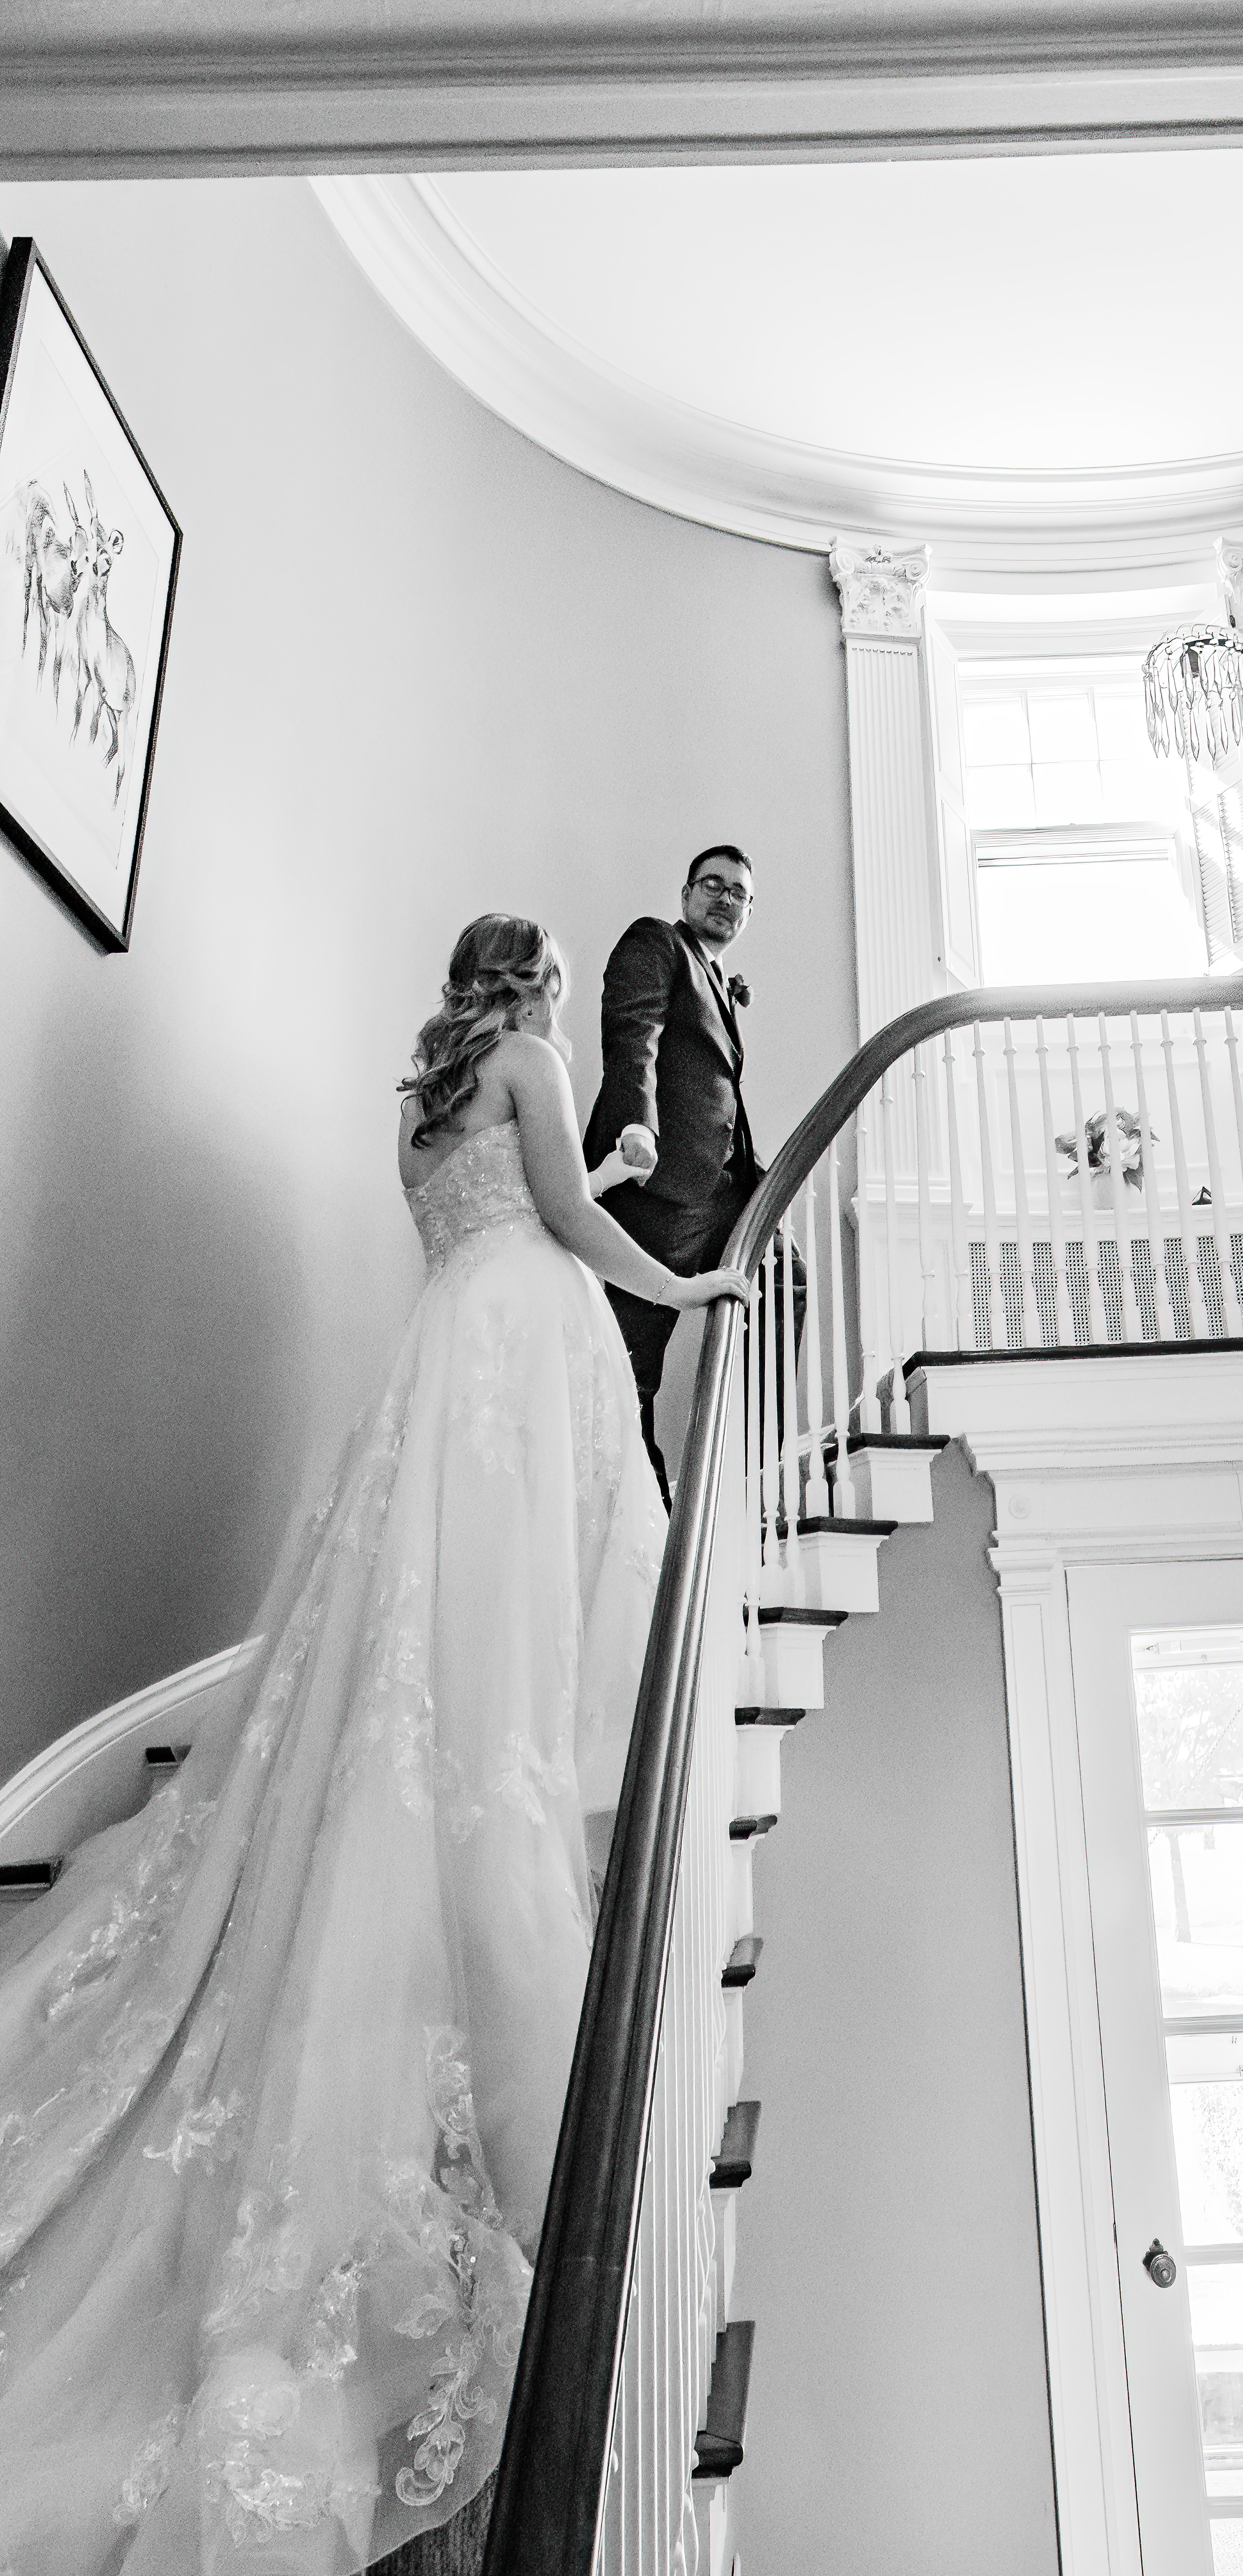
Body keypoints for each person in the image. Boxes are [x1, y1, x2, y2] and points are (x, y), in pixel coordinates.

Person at [0, 914, 744, 2575]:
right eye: (559, 983)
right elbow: (563, 1223)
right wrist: (682, 1278)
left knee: (433, 1647)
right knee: (509, 1640)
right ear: (534, 984)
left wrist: (602, 1174)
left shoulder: (421, 1098)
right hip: (523, 1342)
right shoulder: (536, 1058)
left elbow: (490, 1214)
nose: (560, 1005)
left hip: (452, 1347)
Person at [583, 845, 766, 1508]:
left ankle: (749, 1467)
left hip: (727, 1190)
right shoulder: (657, 943)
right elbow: (635, 1033)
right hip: (658, 1192)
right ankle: (648, 1518)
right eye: (712, 884)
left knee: (789, 1283)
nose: (725, 898)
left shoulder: (719, 980)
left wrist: (759, 1178)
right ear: (686, 895)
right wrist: (637, 1123)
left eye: (738, 892)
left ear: (749, 910)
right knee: (630, 1371)